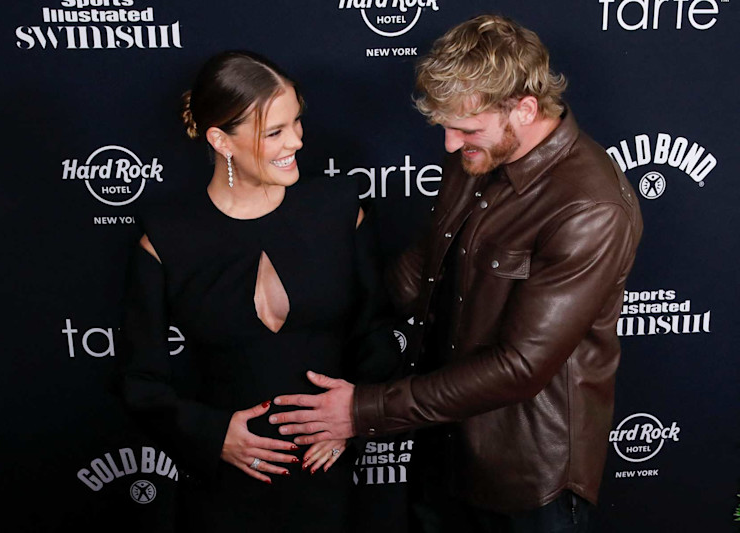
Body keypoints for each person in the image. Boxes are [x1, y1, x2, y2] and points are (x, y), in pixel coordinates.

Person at [268, 15, 643, 533]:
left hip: (527, 480)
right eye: (446, 127)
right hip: (444, 449)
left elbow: (520, 366)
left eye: (466, 129)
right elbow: (416, 278)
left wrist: (363, 411)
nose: (448, 144)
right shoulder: (477, 155)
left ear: (526, 109)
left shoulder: (589, 207)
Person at [118, 50, 399, 532]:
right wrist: (212, 435)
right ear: (220, 140)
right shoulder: (167, 237)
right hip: (225, 492)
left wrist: (353, 414)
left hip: (329, 478)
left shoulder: (338, 208)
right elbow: (138, 380)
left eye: (296, 124)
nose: (296, 142)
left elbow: (378, 334)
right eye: (274, 132)